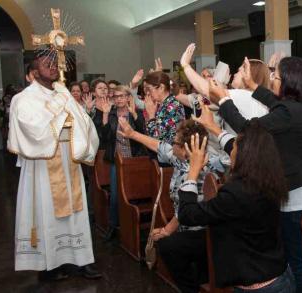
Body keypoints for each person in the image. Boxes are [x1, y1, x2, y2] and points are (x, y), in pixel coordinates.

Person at [203, 56, 302, 293]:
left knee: (299, 264)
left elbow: (248, 130)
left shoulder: (289, 113)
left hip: (298, 203)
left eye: (276, 76)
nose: (273, 79)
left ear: (289, 84)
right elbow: (278, 104)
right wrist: (254, 87)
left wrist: (224, 101)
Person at [7, 53, 101, 281]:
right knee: (47, 213)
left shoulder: (63, 92)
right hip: (43, 164)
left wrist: (76, 119)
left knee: (76, 213)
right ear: (34, 71)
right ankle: (49, 266)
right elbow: (32, 129)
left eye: (53, 63)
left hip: (69, 160)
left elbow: (82, 120)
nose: (51, 67)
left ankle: (81, 260)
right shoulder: (24, 98)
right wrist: (61, 115)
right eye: (45, 64)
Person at [178, 120, 295, 292]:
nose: (230, 151)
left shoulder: (236, 193)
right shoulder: (270, 177)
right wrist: (213, 127)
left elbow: (188, 214)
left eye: (234, 148)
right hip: (279, 275)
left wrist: (193, 171)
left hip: (259, 287)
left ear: (244, 155)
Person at [118, 118, 228, 293]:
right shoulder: (182, 160)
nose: (171, 145)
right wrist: (132, 134)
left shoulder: (202, 171)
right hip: (188, 227)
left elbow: (189, 211)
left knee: (168, 246)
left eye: (175, 142)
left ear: (185, 149)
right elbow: (159, 146)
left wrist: (167, 230)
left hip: (204, 232)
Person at [178, 43, 269, 153]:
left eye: (239, 71)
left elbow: (207, 90)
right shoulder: (257, 97)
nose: (234, 74)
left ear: (249, 75)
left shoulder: (246, 96)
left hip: (244, 155)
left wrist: (186, 65)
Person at [98, 85, 146, 240]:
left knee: (136, 194)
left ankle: (132, 226)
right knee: (115, 195)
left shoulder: (136, 113)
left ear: (127, 97)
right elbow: (104, 138)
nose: (118, 99)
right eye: (116, 96)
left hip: (135, 159)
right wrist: (105, 115)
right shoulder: (111, 114)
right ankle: (113, 226)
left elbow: (143, 133)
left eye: (121, 96)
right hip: (116, 160)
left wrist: (135, 115)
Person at [143, 71, 185, 147]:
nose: (148, 93)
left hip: (170, 154)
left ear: (161, 87)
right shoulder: (162, 104)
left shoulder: (172, 106)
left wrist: (151, 116)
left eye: (149, 89)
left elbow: (158, 138)